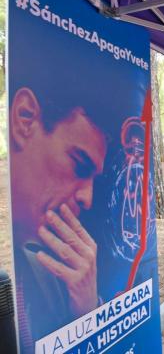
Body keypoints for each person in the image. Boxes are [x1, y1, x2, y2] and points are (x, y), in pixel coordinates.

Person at [9, 86, 107, 350]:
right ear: (24, 118)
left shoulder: (51, 265)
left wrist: (88, 312)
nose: (88, 198)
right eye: (79, 163)